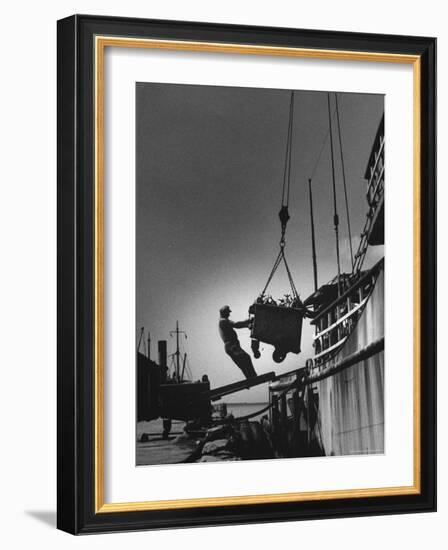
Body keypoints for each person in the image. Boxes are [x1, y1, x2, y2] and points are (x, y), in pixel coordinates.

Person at [218, 305, 257, 379]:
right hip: (231, 346)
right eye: (228, 312)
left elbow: (237, 325)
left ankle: (250, 378)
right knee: (246, 358)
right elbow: (236, 325)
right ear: (225, 312)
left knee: (242, 362)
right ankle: (252, 377)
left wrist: (247, 324)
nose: (229, 314)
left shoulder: (223, 320)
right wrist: (248, 321)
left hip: (231, 346)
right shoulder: (223, 321)